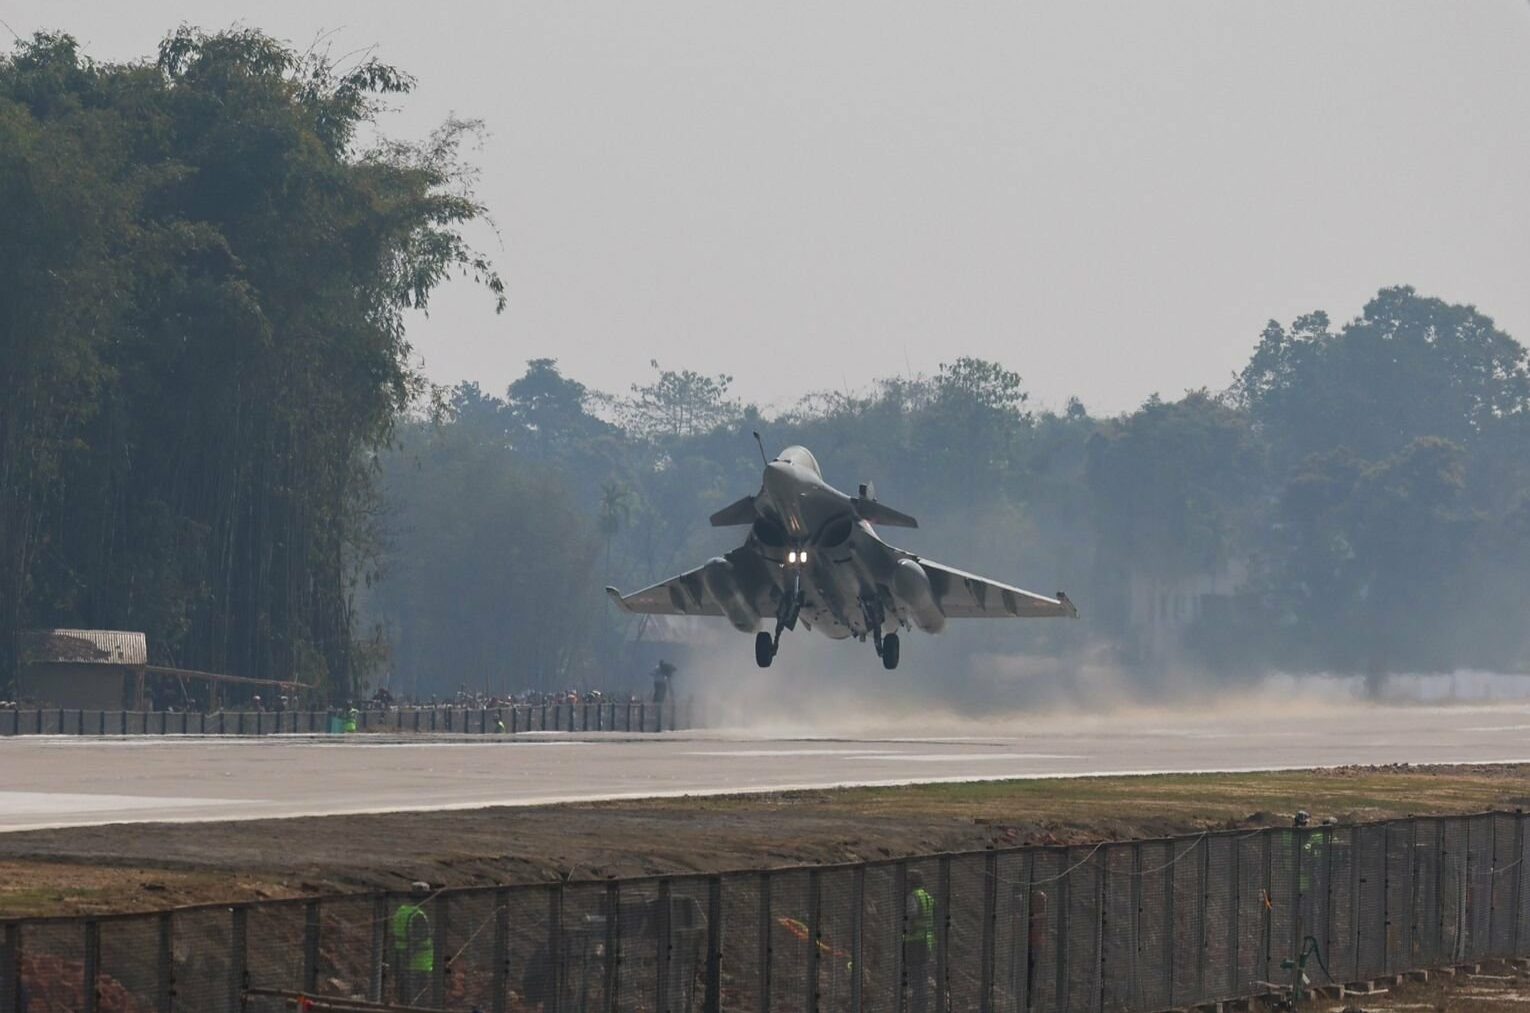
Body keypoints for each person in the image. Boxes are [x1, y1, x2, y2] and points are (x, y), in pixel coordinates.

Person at [393, 887, 435, 1004]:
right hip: (419, 964)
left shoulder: (401, 911)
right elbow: (418, 940)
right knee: (419, 1000)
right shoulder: (418, 915)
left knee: (404, 999)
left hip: (402, 961)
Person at [903, 869, 935, 1013]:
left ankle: (916, 1006)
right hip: (925, 940)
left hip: (914, 940)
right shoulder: (927, 896)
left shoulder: (913, 897)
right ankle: (921, 1005)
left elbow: (911, 915)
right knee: (922, 974)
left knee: (915, 975)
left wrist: (905, 925)